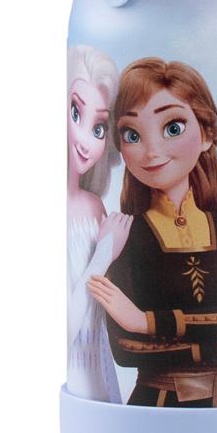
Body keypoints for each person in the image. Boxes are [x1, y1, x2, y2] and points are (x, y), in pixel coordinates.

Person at [89, 58, 217, 408]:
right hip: (154, 406)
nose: (151, 151)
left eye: (173, 127)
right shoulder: (126, 235)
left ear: (207, 135)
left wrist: (147, 321)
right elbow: (127, 348)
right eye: (132, 135)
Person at [66, 45, 131, 402]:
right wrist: (104, 252)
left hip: (102, 377)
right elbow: (66, 327)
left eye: (99, 127)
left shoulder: (93, 208)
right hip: (76, 381)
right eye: (75, 113)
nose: (86, 141)